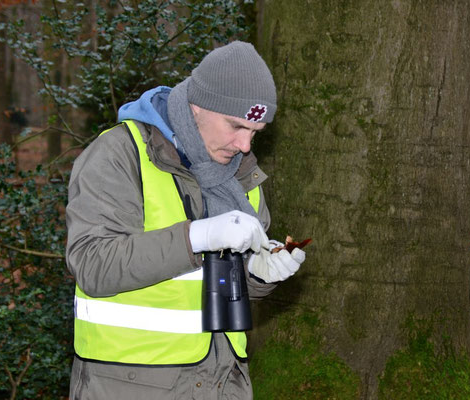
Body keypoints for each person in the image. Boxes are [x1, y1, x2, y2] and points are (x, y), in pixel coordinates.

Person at [65, 41, 307, 399]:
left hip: (222, 383)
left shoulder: (240, 176)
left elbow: (219, 290)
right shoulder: (121, 154)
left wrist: (259, 273)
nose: (244, 145)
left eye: (255, 132)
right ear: (198, 107)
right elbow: (92, 265)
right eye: (236, 126)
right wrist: (197, 238)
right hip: (130, 386)